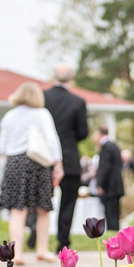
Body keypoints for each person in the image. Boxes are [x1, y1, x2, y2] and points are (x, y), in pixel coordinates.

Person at [0, 81, 63, 265]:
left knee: (17, 211)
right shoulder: (40, 114)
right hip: (36, 162)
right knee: (43, 209)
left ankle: (16, 253)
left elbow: (1, 146)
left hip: (13, 163)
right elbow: (51, 139)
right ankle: (42, 249)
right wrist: (58, 163)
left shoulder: (9, 116)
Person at [44, 63, 89, 253]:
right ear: (71, 79)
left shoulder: (42, 97)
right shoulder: (77, 101)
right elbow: (83, 132)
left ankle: (35, 236)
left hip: (44, 157)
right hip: (69, 157)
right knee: (68, 203)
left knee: (41, 200)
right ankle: (62, 243)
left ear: (53, 75)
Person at [93, 126, 124, 231]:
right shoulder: (113, 146)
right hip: (116, 187)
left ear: (100, 134)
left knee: (111, 216)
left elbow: (104, 167)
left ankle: (113, 239)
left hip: (110, 187)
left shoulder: (106, 147)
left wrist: (100, 184)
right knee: (114, 215)